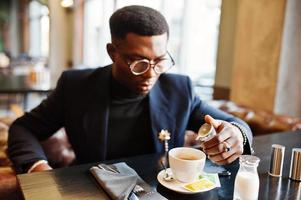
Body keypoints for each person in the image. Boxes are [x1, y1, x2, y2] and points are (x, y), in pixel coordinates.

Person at [8, 5, 253, 174]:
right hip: (94, 190)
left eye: (159, 61)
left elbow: (235, 124)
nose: (151, 73)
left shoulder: (179, 89)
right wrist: (37, 166)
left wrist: (235, 134)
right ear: (112, 52)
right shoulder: (76, 87)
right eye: (139, 63)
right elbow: (23, 128)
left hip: (160, 190)